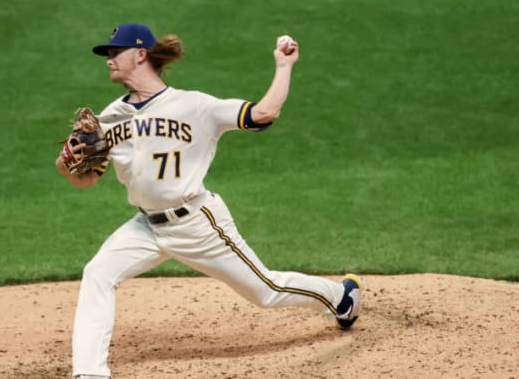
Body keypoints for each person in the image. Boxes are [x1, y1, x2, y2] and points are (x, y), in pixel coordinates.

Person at [55, 23, 362, 379]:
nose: (108, 60)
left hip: (197, 223)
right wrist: (65, 167)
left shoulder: (194, 105)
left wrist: (284, 66)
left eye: (114, 52)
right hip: (145, 227)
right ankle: (89, 374)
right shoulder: (109, 118)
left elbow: (263, 113)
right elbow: (88, 178)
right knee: (98, 273)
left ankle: (341, 297)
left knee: (266, 290)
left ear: (140, 55)